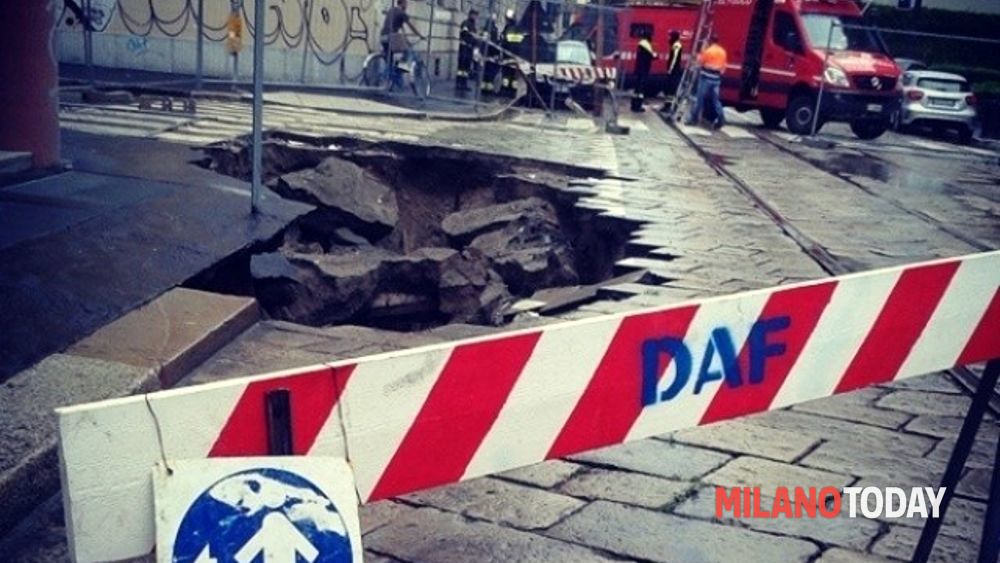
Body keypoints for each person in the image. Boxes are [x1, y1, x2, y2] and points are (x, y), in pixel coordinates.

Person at [686, 32, 727, 129]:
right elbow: (723, 67)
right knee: (716, 101)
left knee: (699, 99)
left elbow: (700, 63)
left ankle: (693, 119)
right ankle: (721, 118)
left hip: (705, 78)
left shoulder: (708, 51)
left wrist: (701, 52)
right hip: (716, 79)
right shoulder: (722, 52)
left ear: (710, 41)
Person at [380, 0, 424, 81]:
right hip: (392, 37)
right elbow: (411, 27)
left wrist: (407, 41)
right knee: (408, 53)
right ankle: (399, 72)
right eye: (406, 3)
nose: (407, 5)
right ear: (403, 3)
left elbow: (402, 30)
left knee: (390, 59)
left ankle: (392, 78)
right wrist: (420, 36)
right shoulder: (402, 13)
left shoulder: (391, 10)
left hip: (383, 37)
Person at [499, 9, 524, 97]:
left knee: (507, 75)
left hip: (509, 55)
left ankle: (506, 91)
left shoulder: (510, 29)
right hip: (514, 57)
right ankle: (511, 91)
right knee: (512, 75)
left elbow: (505, 41)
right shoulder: (517, 29)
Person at [631, 29, 656, 113]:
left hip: (639, 70)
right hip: (643, 70)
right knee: (640, 91)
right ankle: (638, 106)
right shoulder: (645, 44)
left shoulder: (641, 43)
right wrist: (656, 55)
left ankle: (634, 105)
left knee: (637, 89)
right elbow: (652, 55)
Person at [456, 9, 479, 91]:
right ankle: (459, 83)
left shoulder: (473, 25)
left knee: (466, 68)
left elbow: (474, 37)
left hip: (469, 49)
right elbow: (464, 33)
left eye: (476, 16)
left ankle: (464, 84)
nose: (475, 17)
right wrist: (470, 40)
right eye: (474, 15)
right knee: (462, 67)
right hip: (464, 48)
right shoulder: (466, 23)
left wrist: (475, 43)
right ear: (470, 15)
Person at [661, 30, 684, 110]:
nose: (669, 38)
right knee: (668, 88)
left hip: (674, 70)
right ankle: (667, 105)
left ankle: (669, 106)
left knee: (671, 88)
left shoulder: (677, 45)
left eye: (670, 36)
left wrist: (670, 69)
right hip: (673, 70)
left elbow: (674, 58)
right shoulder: (674, 44)